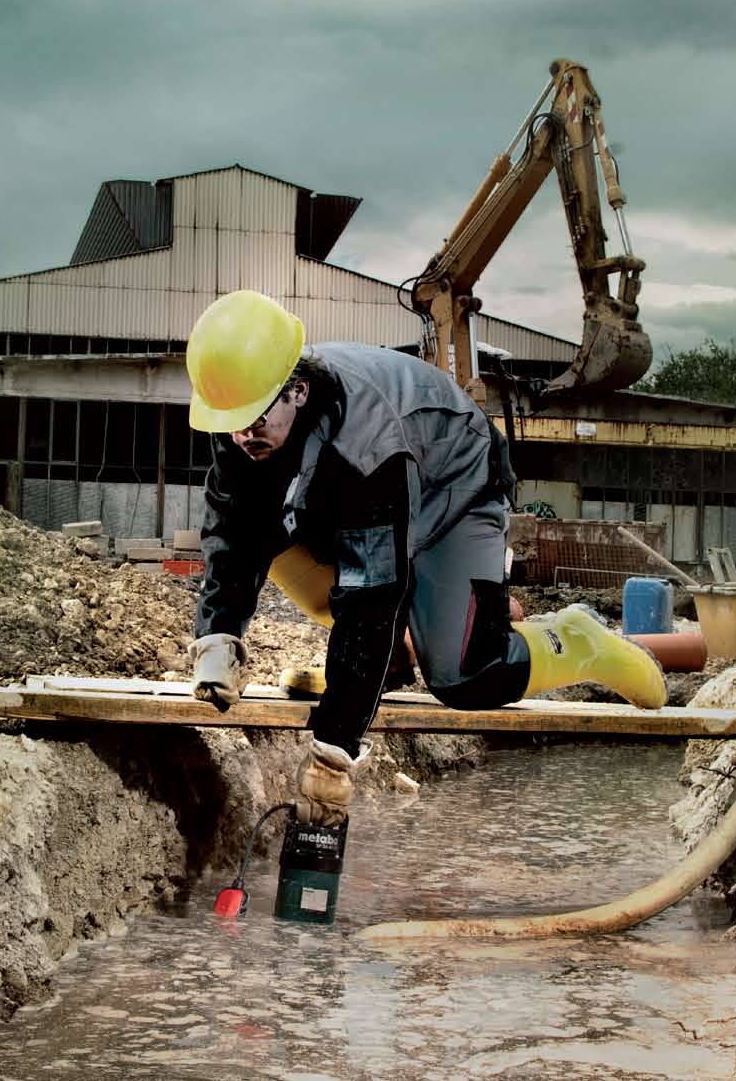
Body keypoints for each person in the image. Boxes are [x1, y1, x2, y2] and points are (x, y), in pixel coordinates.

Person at [183, 289, 668, 827]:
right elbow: (231, 530)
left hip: (453, 491)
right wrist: (219, 633)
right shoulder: (242, 419)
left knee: (464, 675)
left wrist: (334, 748)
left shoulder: (366, 443)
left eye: (254, 420)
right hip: (367, 498)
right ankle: (387, 663)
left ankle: (577, 639)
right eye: (232, 422)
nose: (243, 435)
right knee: (263, 534)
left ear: (296, 391)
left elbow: (372, 593)